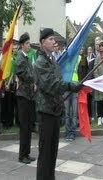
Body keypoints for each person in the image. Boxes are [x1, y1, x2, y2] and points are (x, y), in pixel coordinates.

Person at [33, 28, 82, 180]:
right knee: (45, 152)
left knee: (53, 151)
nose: (54, 42)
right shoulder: (41, 62)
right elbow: (51, 84)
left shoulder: (52, 60)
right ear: (42, 43)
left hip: (54, 110)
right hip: (46, 112)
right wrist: (69, 86)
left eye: (54, 39)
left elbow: (57, 83)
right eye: (50, 39)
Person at [16, 33, 36, 164]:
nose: (29, 45)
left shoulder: (27, 58)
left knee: (29, 126)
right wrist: (36, 78)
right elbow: (24, 74)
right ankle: (22, 155)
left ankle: (27, 153)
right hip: (23, 96)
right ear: (22, 45)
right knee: (24, 126)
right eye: (28, 43)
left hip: (29, 96)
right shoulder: (20, 58)